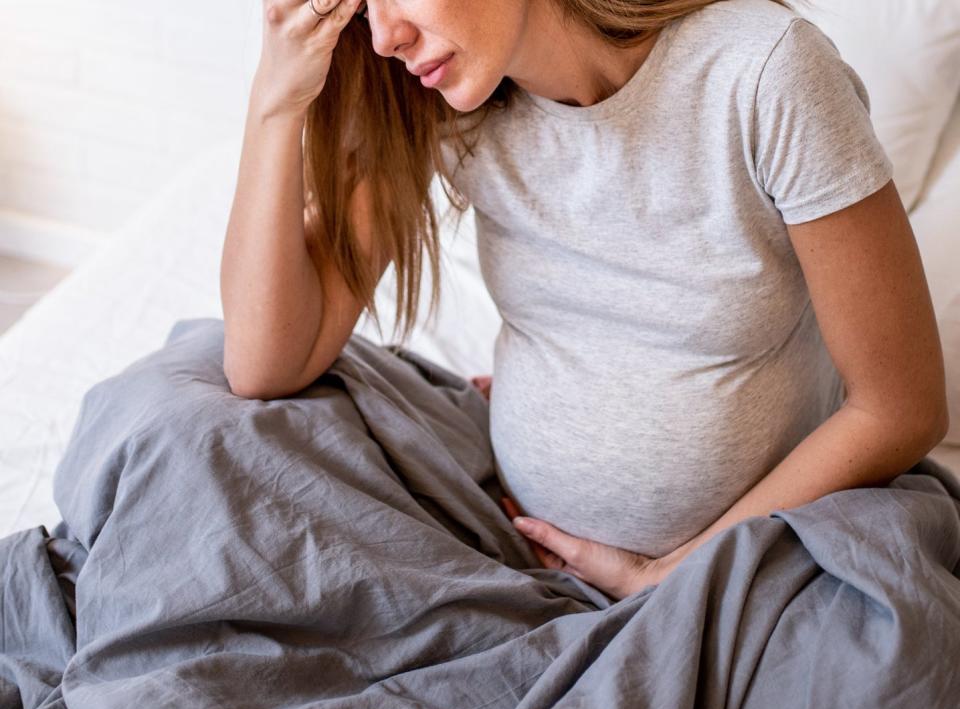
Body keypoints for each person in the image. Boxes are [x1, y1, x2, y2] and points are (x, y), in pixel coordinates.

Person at [219, 0, 948, 602]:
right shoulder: (443, 103)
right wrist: (274, 100)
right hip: (509, 539)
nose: (385, 37)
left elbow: (900, 407)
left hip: (733, 569)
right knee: (183, 423)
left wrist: (670, 573)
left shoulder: (763, 72)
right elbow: (262, 364)